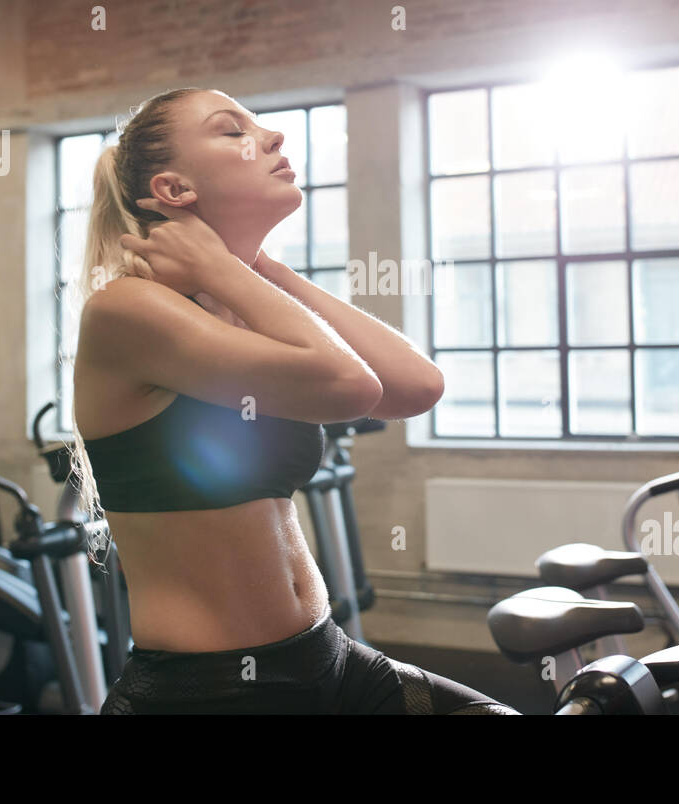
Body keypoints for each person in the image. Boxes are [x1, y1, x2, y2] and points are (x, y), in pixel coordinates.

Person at [69, 86, 519, 714]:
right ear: (174, 191)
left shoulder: (240, 304)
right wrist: (229, 269)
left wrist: (251, 267)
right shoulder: (129, 309)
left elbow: (416, 387)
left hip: (328, 659)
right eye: (232, 130)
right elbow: (351, 386)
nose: (274, 137)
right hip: (211, 692)